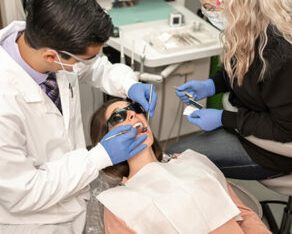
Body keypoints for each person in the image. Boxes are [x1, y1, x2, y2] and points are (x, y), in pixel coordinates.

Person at [0, 0, 157, 233]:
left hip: (76, 200)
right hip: (33, 223)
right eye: (87, 58)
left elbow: (93, 67)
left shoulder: (47, 38)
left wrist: (128, 84)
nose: (132, 115)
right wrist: (99, 157)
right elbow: (22, 193)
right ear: (51, 57)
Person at [167, 0, 292, 181]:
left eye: (209, 6)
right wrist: (212, 85)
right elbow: (246, 73)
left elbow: (285, 127)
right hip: (249, 120)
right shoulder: (248, 25)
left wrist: (223, 119)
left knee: (177, 158)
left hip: (277, 145)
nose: (208, 13)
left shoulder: (280, 50)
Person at [88, 98, 271, 234]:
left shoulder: (192, 162)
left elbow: (245, 215)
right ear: (106, 140)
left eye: (134, 108)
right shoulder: (119, 203)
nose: (132, 114)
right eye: (119, 116)